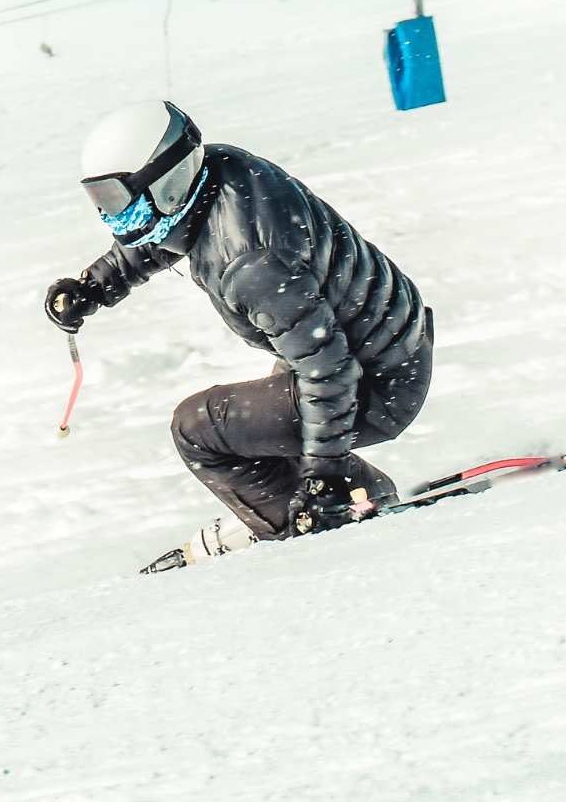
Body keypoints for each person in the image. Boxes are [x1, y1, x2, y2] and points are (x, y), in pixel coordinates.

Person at [44, 101, 433, 560]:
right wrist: (95, 286)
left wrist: (322, 475)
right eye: (101, 200)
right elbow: (165, 233)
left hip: (379, 383)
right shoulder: (218, 172)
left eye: (116, 199)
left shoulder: (252, 266)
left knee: (200, 428)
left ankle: (303, 526)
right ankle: (354, 496)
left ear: (167, 185)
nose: (111, 217)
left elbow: (330, 371)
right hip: (386, 344)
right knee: (258, 423)